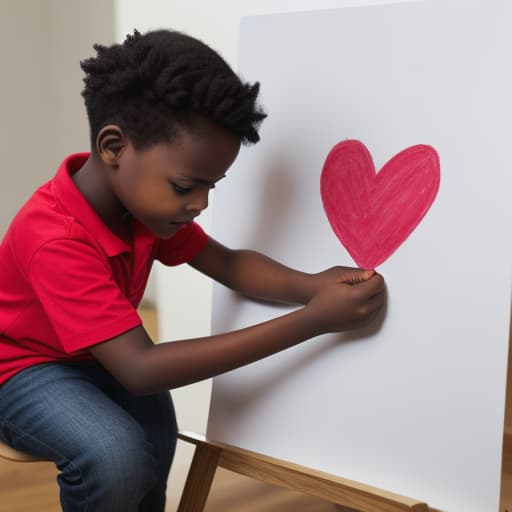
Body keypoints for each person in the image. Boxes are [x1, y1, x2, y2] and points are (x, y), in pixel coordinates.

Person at [0, 29, 385, 512]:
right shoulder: (55, 239)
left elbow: (228, 264)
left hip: (100, 361)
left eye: (210, 188)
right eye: (186, 186)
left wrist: (310, 286)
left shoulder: (145, 211)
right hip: (25, 371)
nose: (199, 204)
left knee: (155, 439)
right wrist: (313, 320)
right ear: (114, 147)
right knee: (115, 454)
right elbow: (140, 368)